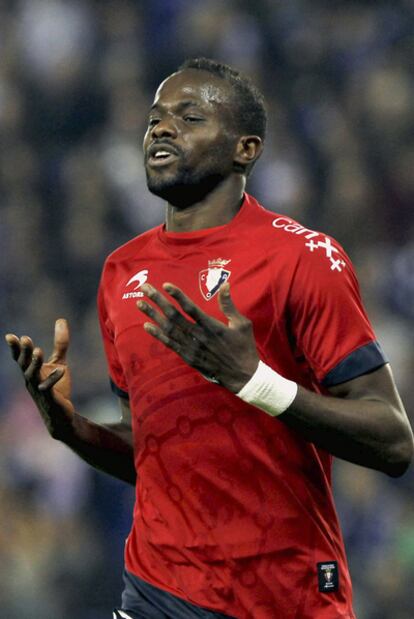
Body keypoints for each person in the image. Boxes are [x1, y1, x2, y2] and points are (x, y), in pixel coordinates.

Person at [5, 58, 414, 619]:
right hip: (158, 589)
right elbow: (150, 452)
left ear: (245, 149)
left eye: (189, 116)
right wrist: (70, 428)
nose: (161, 129)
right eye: (154, 119)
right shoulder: (122, 272)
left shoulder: (302, 258)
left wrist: (256, 383)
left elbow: (394, 442)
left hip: (285, 592)